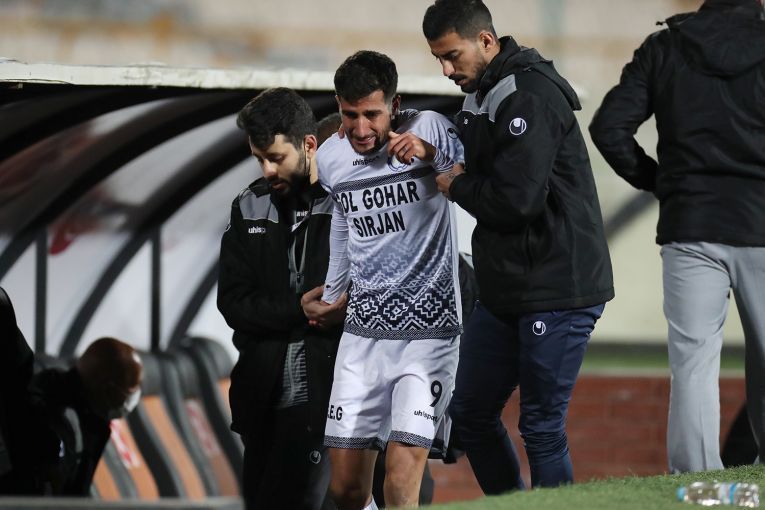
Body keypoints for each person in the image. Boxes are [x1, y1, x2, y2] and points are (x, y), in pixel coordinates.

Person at [422, 0, 615, 493]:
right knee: (469, 414)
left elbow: (516, 201)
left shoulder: (529, 93)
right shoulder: (481, 94)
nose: (446, 70)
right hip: (507, 286)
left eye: (452, 56)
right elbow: (480, 170)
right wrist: (432, 154)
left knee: (541, 428)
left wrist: (457, 185)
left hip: (558, 286)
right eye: (438, 58)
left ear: (486, 41)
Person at [589, 0, 765, 473]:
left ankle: (699, 486)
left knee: (693, 363)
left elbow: (608, 128)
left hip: (690, 226)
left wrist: (661, 183)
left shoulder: (665, 46)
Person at [312, 50, 464, 510]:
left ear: (394, 105)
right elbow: (344, 220)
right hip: (361, 339)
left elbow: (474, 178)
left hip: (429, 336)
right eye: (350, 114)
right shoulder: (331, 157)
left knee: (400, 477)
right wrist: (334, 293)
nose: (361, 128)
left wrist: (430, 155)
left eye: (372, 115)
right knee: (346, 490)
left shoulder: (430, 128)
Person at [217, 88, 346, 509]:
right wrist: (297, 310)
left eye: (276, 157)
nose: (268, 169)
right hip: (261, 397)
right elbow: (233, 302)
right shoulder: (249, 206)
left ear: (309, 145)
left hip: (324, 398)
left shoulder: (345, 203)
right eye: (259, 159)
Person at [2, 336, 142, 495]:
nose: (133, 399)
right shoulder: (60, 418)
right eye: (129, 392)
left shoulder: (91, 415)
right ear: (107, 389)